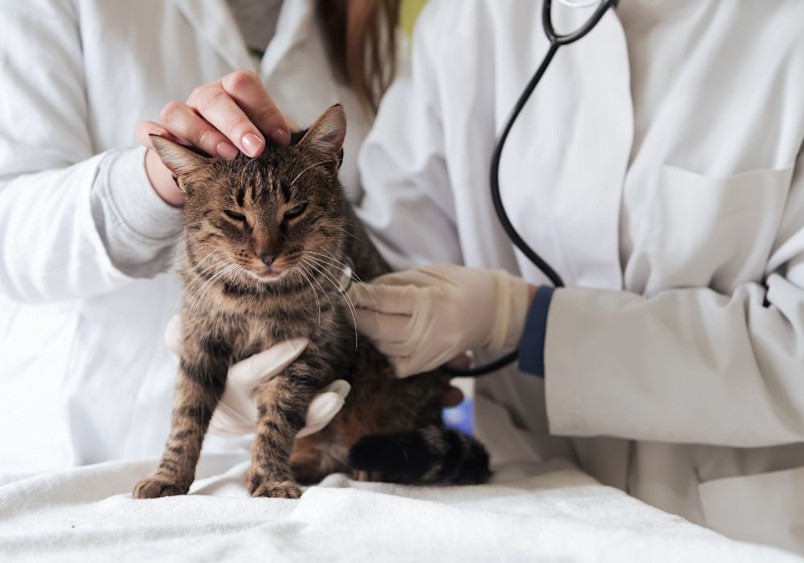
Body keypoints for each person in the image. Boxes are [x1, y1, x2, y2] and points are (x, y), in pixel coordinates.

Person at [344, 0, 804, 553]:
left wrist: (525, 321)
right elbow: (387, 272)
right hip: (525, 507)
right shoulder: (471, 21)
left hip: (744, 530)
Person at [0, 0, 401, 471]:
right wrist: (152, 182)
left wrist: (438, 319)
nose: (266, 248)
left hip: (323, 464)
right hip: (99, 446)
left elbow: (384, 227)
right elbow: (12, 236)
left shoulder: (371, 23)